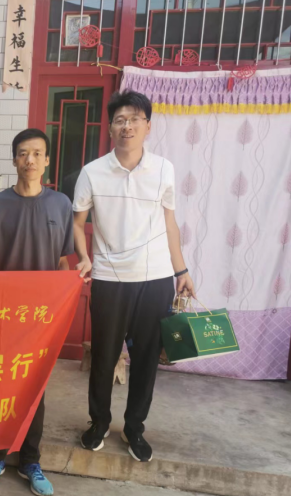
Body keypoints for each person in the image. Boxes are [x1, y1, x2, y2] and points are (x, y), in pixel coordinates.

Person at [72, 90, 195, 463]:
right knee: (104, 357)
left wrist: (181, 270)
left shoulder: (163, 169)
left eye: (134, 119)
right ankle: (98, 424)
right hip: (109, 279)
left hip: (155, 278)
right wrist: (84, 257)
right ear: (110, 127)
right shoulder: (92, 172)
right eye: (120, 120)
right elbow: (77, 222)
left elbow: (170, 223)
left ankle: (134, 428)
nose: (127, 126)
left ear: (148, 126)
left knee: (145, 359)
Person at [0, 128, 74, 496]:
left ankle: (30, 461)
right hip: (2, 317)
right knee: (0, 385)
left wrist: (67, 296)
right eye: (23, 153)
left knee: (35, 388)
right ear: (14, 159)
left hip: (43, 319)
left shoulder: (60, 205)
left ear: (47, 160)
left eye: (37, 153)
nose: (30, 160)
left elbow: (63, 262)